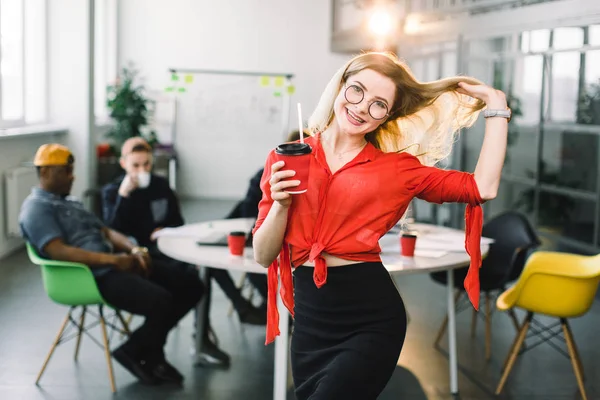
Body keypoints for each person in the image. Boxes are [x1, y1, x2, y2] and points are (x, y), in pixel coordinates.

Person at [252, 52, 509, 399]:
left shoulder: (398, 169)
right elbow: (263, 255)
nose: (361, 108)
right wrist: (281, 205)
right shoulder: (285, 157)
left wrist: (497, 107)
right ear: (340, 86)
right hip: (310, 323)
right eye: (356, 90)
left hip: (370, 319)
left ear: (388, 116)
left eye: (378, 105)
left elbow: (483, 187)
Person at [20, 143, 204, 386]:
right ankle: (149, 355)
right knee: (162, 301)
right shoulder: (36, 209)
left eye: (71, 170)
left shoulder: (70, 202)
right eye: (65, 171)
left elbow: (106, 230)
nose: (72, 176)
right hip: (92, 276)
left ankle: (138, 350)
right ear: (44, 173)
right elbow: (59, 251)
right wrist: (113, 260)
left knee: (191, 284)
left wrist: (133, 249)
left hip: (114, 263)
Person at [101, 138, 263, 366]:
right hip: (140, 256)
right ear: (123, 163)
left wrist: (166, 229)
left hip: (168, 246)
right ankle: (223, 322)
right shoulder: (113, 192)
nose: (142, 170)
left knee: (206, 264)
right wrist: (124, 196)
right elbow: (112, 231)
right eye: (135, 166)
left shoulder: (160, 185)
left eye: (146, 164)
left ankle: (214, 330)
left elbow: (178, 220)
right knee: (199, 272)